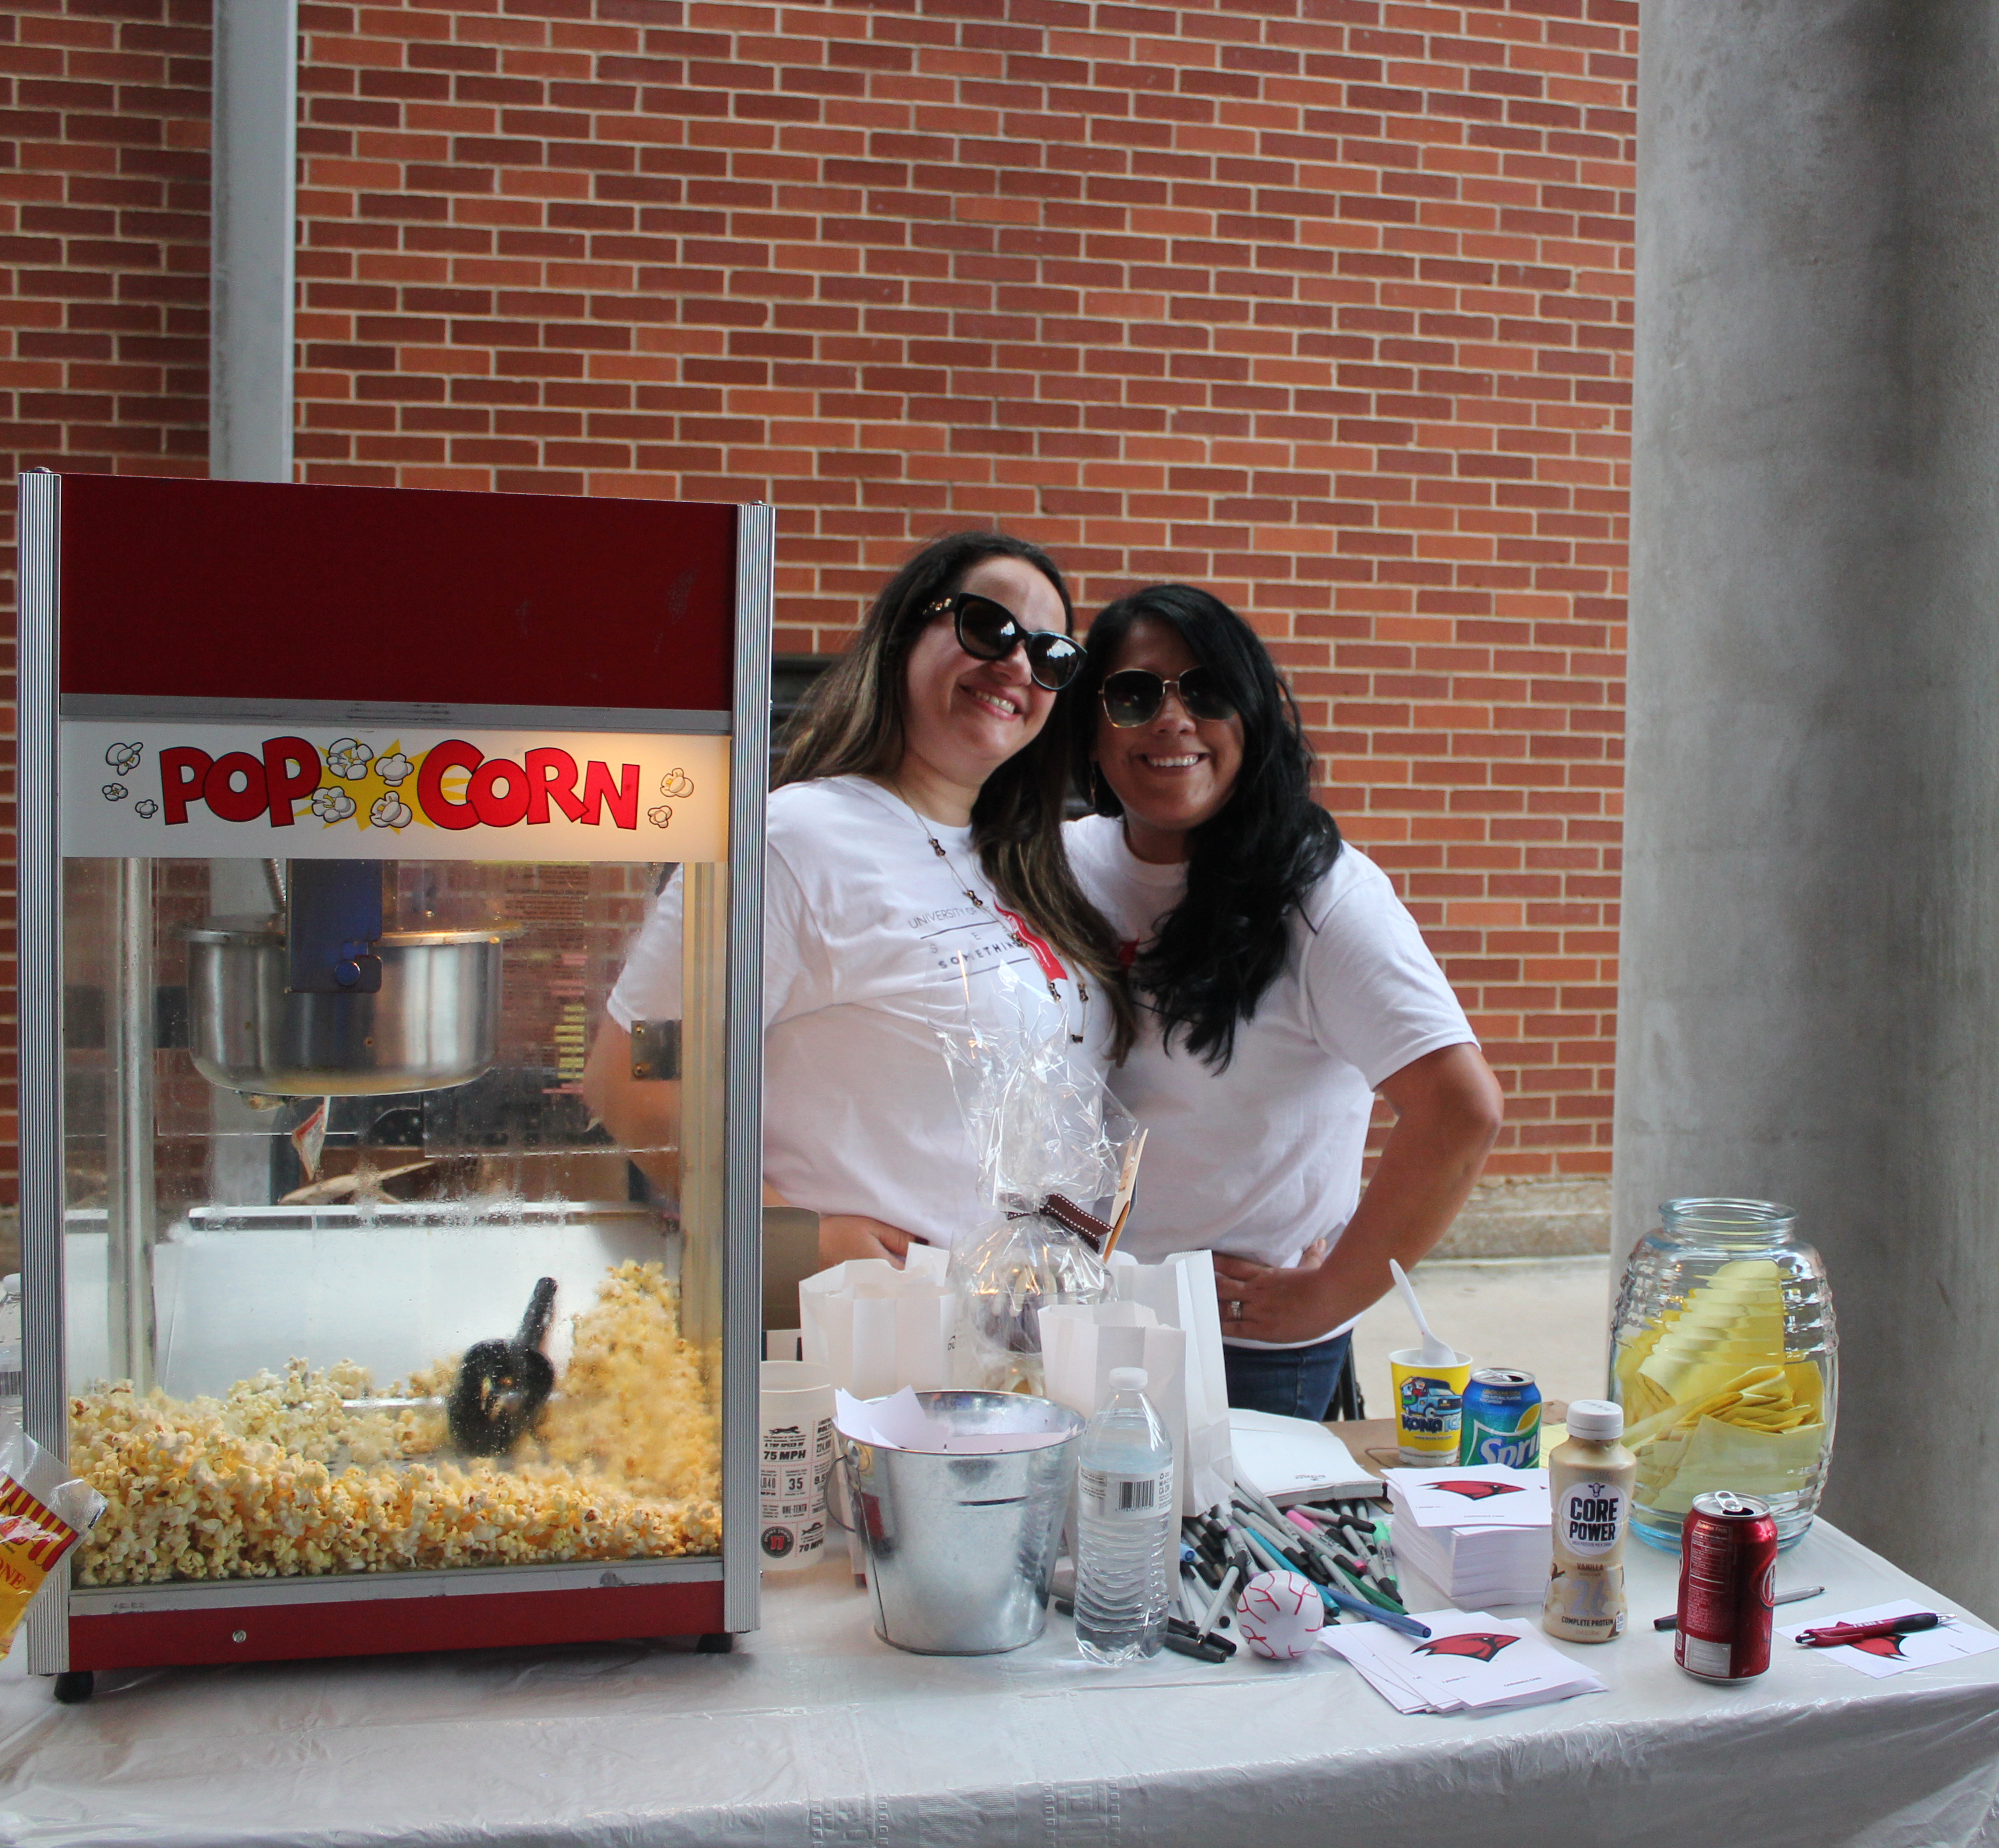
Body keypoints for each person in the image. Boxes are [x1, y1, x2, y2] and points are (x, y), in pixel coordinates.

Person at [586, 532, 1132, 1267]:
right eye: (988, 627)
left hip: (1017, 1333)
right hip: (859, 1341)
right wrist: (790, 1236)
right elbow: (634, 1078)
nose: (1015, 665)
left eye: (1049, 655)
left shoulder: (1026, 864)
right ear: (907, 632)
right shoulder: (791, 840)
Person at [1060, 583, 1504, 1419]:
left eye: (1207, 690)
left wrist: (1330, 1294)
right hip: (1074, 1320)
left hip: (1239, 1350)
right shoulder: (1057, 868)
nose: (1172, 719)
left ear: (1253, 716)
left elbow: (1459, 1111)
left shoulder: (1322, 896)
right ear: (1091, 724)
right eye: (1134, 695)